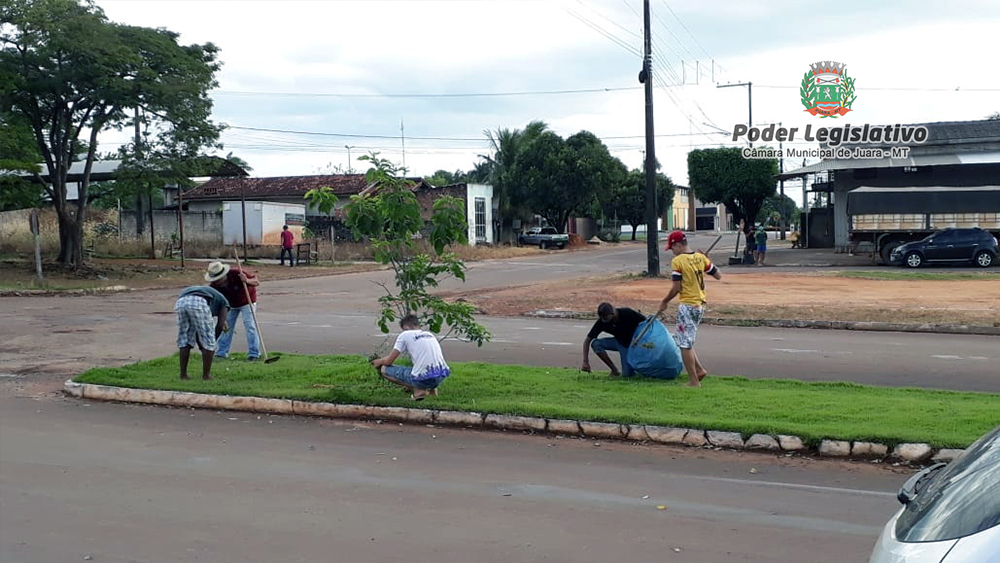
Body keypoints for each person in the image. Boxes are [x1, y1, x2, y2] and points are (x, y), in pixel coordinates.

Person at [657, 230, 721, 387]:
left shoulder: (678, 261)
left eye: (672, 248)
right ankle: (699, 370)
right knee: (686, 340)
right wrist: (708, 260)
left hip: (687, 305)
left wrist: (664, 301)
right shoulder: (700, 258)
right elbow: (718, 274)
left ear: (678, 245)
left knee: (684, 345)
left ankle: (694, 380)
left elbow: (676, 287)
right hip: (700, 305)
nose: (672, 252)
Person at [371, 314, 450, 400]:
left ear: (405, 328)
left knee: (384, 370)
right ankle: (432, 392)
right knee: (429, 367)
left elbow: (389, 361)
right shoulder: (429, 334)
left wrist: (378, 362)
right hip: (441, 376)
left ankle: (419, 390)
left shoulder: (405, 335)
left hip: (422, 379)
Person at [174, 271, 230, 380]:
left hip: (181, 301)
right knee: (209, 341)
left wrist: (202, 344)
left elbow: (197, 330)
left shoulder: (212, 295)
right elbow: (219, 325)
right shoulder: (224, 303)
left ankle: (183, 375)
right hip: (198, 301)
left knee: (185, 338)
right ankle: (206, 376)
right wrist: (211, 343)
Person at [208, 260, 261, 361]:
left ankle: (254, 354)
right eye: (215, 279)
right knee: (227, 328)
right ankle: (222, 352)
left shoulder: (237, 273)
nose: (217, 281)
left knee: (250, 326)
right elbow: (216, 303)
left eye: (218, 278)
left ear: (224, 274)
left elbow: (256, 282)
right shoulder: (214, 286)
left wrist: (247, 281)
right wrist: (221, 319)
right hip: (230, 305)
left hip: (247, 301)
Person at [582, 302, 646, 378]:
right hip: (620, 343)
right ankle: (614, 370)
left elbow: (646, 323)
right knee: (596, 344)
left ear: (612, 314)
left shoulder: (627, 313)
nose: (603, 320)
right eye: (601, 318)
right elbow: (587, 340)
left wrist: (640, 339)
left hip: (635, 343)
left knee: (627, 374)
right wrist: (585, 361)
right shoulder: (602, 322)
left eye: (605, 318)